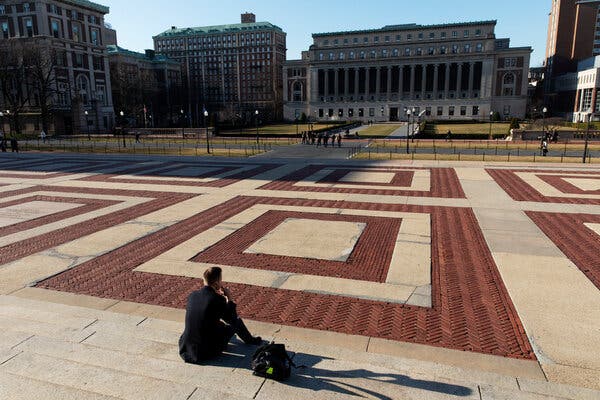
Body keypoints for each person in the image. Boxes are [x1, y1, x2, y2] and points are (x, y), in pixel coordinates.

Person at [179, 267, 261, 364]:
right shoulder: (217, 299)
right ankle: (251, 340)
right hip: (205, 352)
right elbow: (232, 319)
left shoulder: (193, 295)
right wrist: (229, 299)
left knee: (217, 324)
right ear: (217, 282)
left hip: (186, 347)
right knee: (237, 322)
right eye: (220, 280)